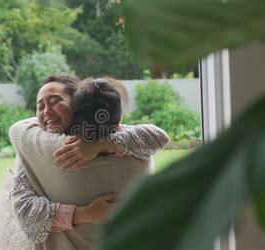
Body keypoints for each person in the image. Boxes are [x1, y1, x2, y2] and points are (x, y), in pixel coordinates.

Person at [9, 75, 169, 249]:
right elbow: (24, 209)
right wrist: (84, 214)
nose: (46, 110)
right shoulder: (33, 147)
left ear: (77, 106)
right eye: (40, 106)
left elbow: (18, 129)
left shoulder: (30, 141)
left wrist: (101, 143)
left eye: (55, 101)